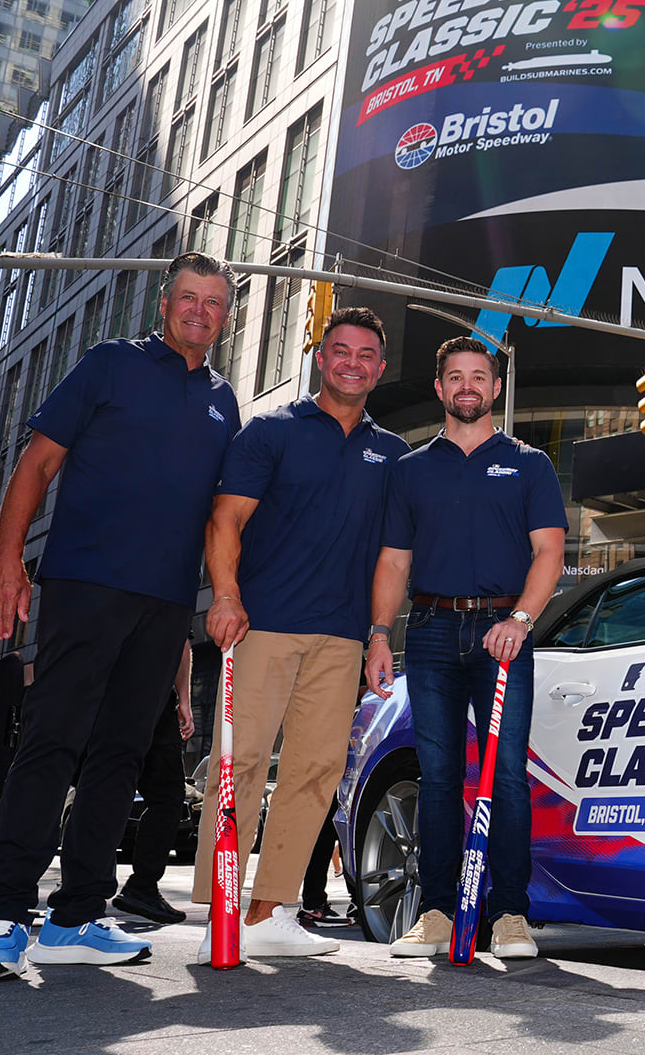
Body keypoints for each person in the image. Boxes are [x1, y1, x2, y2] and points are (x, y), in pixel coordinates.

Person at [0, 252, 242, 983]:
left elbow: (221, 514)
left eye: (214, 303)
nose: (199, 312)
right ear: (164, 302)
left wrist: (224, 594)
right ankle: (1, 916)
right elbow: (36, 463)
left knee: (120, 756)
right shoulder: (109, 363)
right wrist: (6, 560)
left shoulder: (224, 400)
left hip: (166, 601)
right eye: (189, 298)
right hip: (86, 582)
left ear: (225, 315)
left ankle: (77, 914)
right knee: (52, 742)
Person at [191, 307, 408, 963]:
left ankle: (269, 911)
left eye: (366, 354)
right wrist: (226, 597)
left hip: (341, 639)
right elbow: (225, 519)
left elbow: (391, 557)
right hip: (264, 627)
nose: (352, 362)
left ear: (379, 366)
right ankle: (221, 916)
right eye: (340, 350)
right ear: (321, 356)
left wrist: (378, 637)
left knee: (315, 771)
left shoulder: (392, 454)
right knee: (242, 766)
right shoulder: (272, 431)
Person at [366, 336, 565, 960]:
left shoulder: (530, 464)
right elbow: (395, 560)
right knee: (439, 776)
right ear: (440, 388)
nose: (468, 386)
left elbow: (550, 553)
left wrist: (522, 618)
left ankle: (509, 915)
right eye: (456, 376)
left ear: (495, 388)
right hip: (427, 634)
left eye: (479, 375)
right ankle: (436, 912)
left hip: (502, 637)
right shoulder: (410, 470)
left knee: (505, 777)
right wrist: (379, 635)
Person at [110, 635, 194, 925]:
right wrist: (183, 699)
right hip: (136, 696)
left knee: (103, 790)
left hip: (119, 694)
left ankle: (90, 885)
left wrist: (182, 699)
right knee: (164, 798)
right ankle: (133, 886)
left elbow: (181, 641)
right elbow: (180, 641)